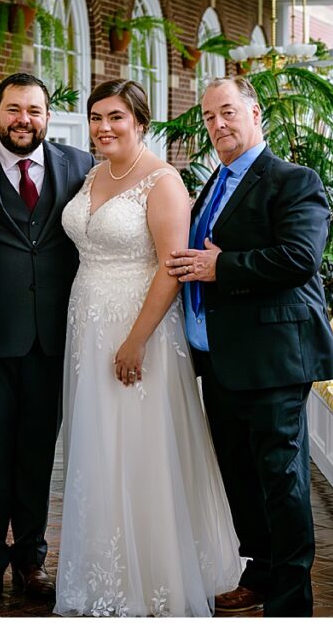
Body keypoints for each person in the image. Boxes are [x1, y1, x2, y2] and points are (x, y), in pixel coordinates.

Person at [54, 79, 242, 617]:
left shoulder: (163, 183)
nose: (103, 127)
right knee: (98, 446)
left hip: (139, 330)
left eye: (115, 117)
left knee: (137, 447)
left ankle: (155, 575)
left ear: (140, 121)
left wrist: (135, 340)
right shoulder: (94, 174)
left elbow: (173, 267)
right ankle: (105, 570)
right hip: (87, 326)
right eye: (95, 118)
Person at [165, 76, 333, 617]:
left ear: (254, 112)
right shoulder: (213, 184)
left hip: (273, 359)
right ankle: (259, 575)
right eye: (210, 117)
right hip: (219, 359)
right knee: (241, 478)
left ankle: (291, 600)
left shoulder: (293, 181)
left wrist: (223, 266)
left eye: (227, 112)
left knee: (281, 482)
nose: (218, 125)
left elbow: (298, 259)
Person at [0, 73, 95, 604]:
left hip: (52, 336)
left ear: (48, 115)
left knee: (36, 452)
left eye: (33, 109)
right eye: (13, 109)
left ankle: (31, 559)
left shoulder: (80, 166)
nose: (23, 119)